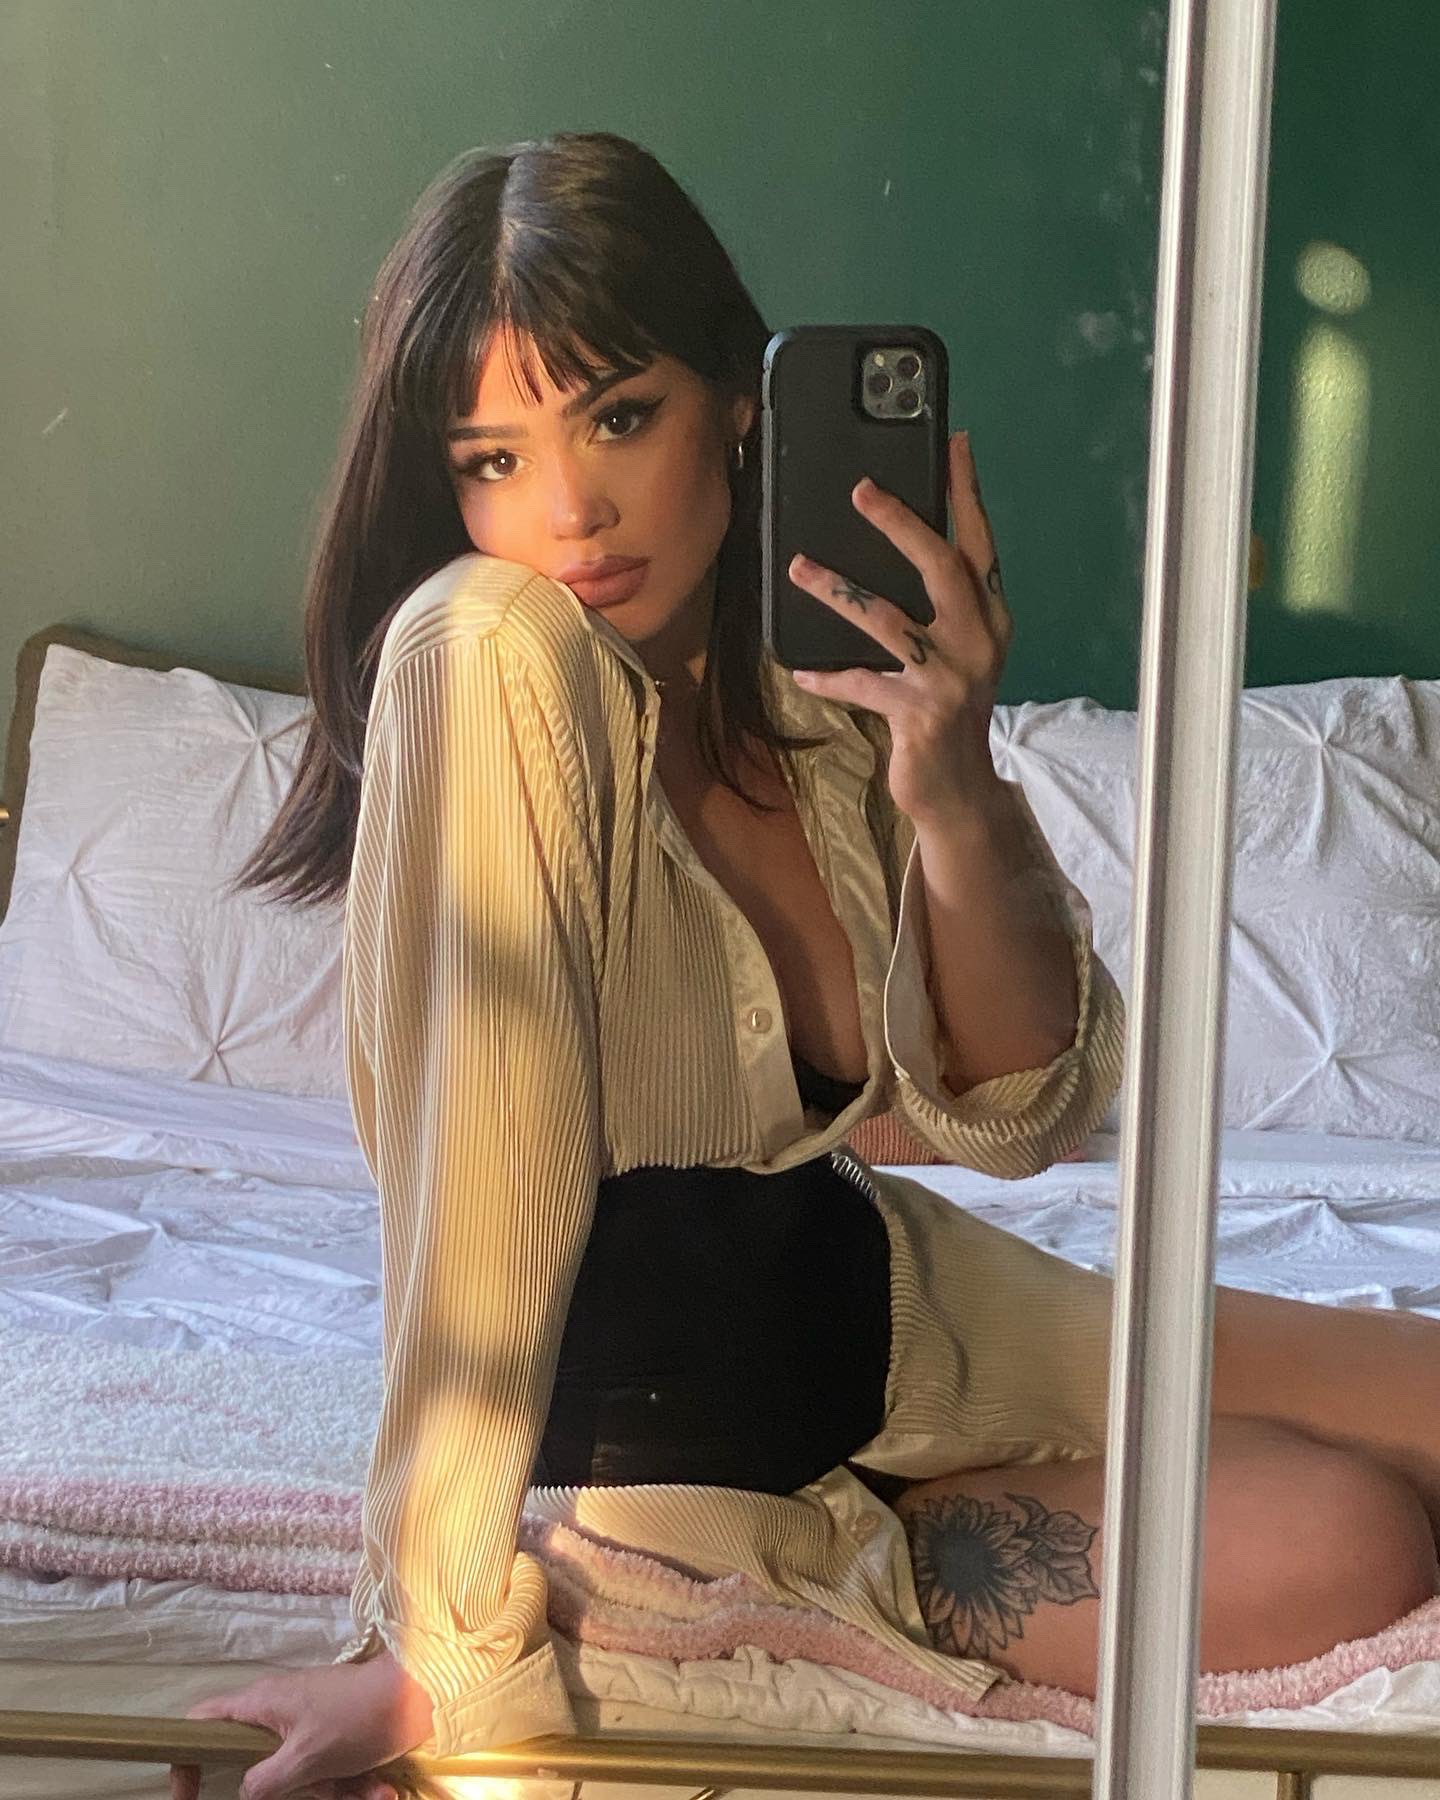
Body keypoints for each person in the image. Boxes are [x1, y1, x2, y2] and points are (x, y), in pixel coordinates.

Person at [172, 131, 1440, 1800]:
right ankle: (835, 1568)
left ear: (736, 402)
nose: (568, 509)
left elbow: (1013, 1120)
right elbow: (479, 1180)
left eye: (618, 417)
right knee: (1348, 1538)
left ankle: (896, 1513)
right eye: (492, 456)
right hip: (673, 1449)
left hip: (902, 1306)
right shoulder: (487, 653)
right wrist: (444, 1644)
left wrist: (952, 773)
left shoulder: (811, 697)